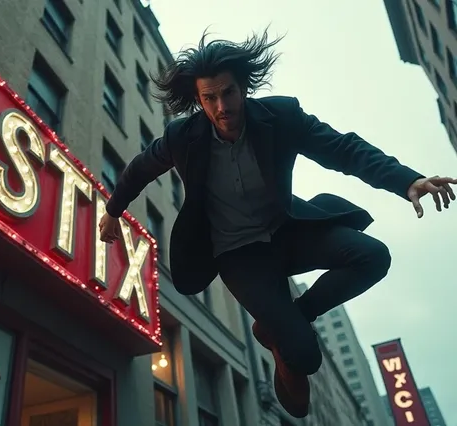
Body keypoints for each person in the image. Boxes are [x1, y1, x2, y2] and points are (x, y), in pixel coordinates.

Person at [98, 29, 456, 418]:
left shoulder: (282, 116)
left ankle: (289, 320)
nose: (222, 107)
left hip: (288, 233)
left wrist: (406, 180)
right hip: (239, 256)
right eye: (210, 98)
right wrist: (113, 210)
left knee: (373, 256)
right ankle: (288, 335)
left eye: (228, 93)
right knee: (304, 359)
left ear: (243, 88)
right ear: (199, 101)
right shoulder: (181, 137)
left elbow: (342, 148)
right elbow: (139, 169)